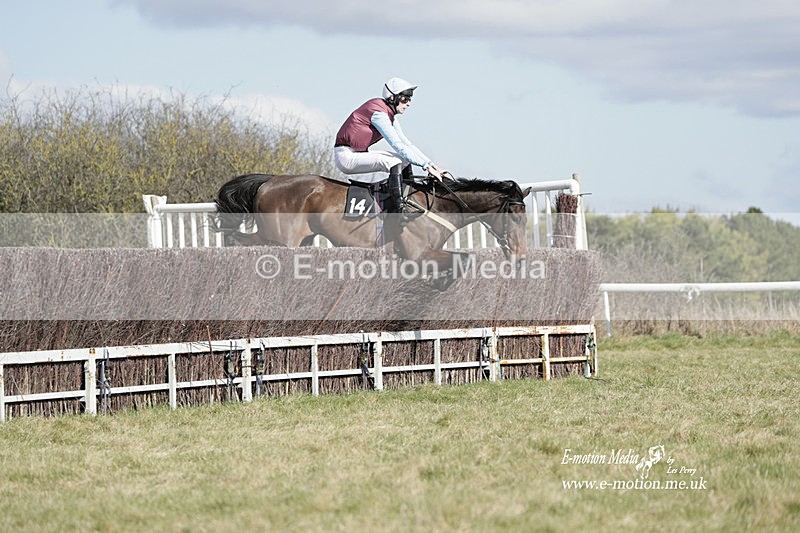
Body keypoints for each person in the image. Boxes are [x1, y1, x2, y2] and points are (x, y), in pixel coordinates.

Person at [334, 77, 445, 221]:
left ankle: (406, 199)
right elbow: (398, 146)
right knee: (395, 162)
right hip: (346, 157)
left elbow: (407, 144)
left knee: (404, 160)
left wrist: (432, 165)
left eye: (410, 99)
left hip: (356, 154)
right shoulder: (379, 114)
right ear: (392, 98)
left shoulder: (389, 115)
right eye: (405, 99)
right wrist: (426, 167)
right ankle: (400, 210)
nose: (409, 103)